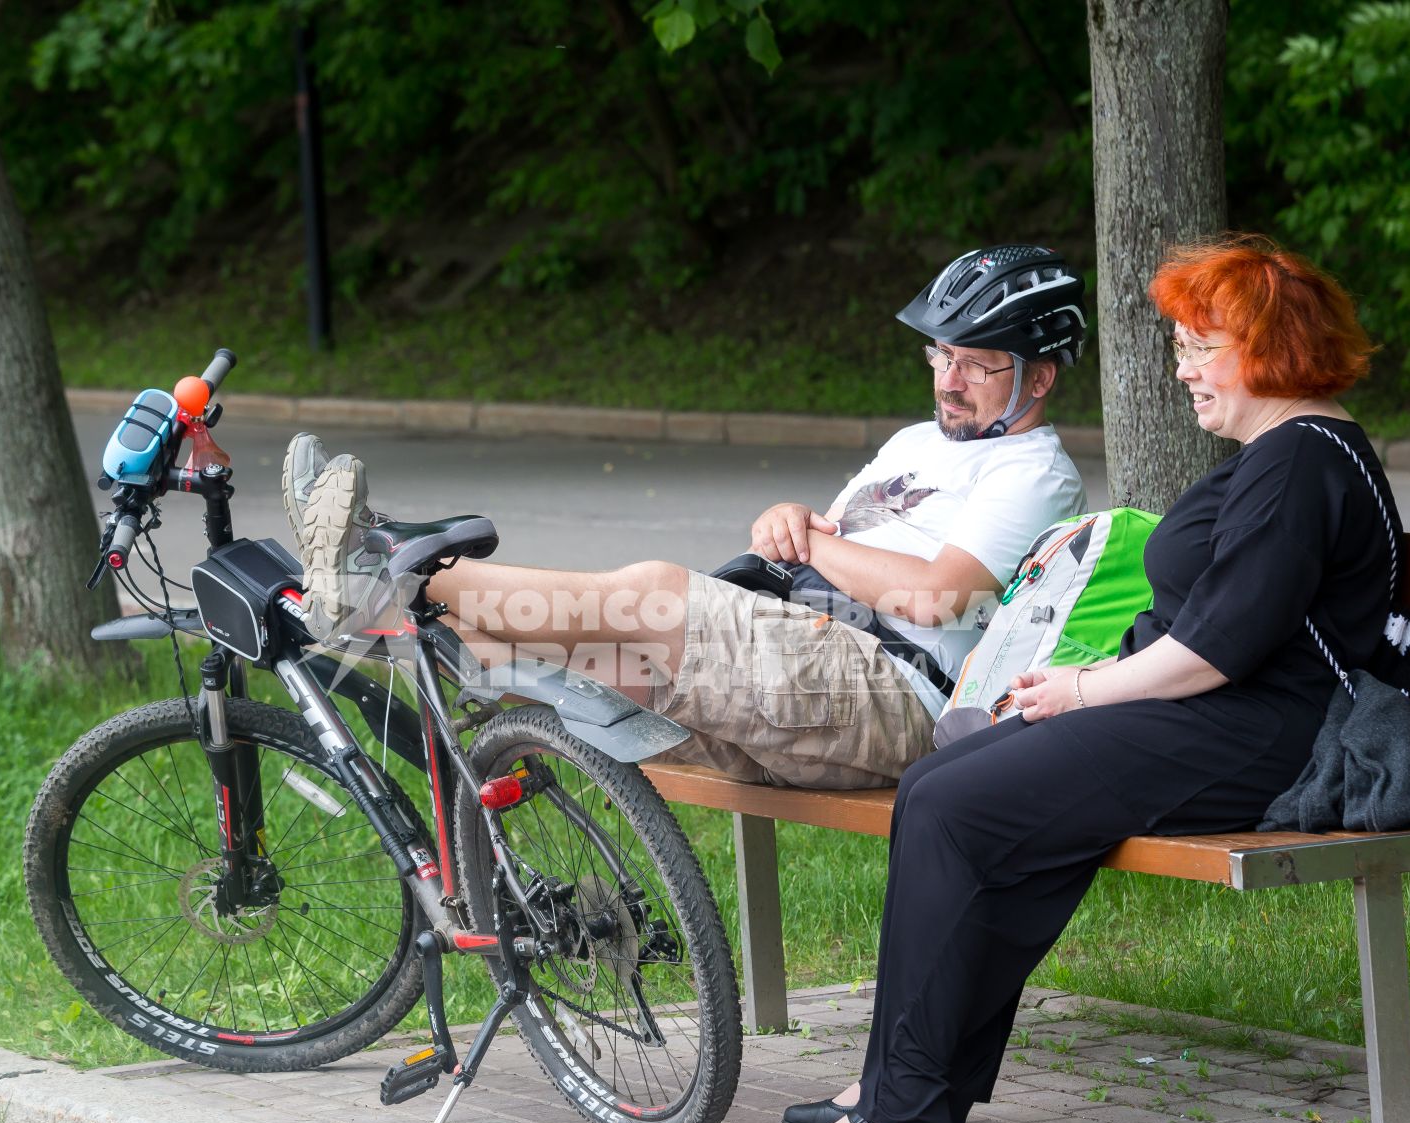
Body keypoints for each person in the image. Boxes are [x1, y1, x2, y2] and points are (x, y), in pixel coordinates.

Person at [764, 233, 1397, 1123]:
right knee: (943, 781)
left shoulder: (1302, 461)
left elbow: (1214, 652)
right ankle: (908, 1078)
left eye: (1199, 348)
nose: (1182, 370)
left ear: (1273, 347)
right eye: (1179, 348)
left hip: (1262, 734)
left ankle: (905, 1113)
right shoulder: (1285, 454)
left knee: (954, 805)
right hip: (1217, 718)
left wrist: (1079, 690)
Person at [284, 246, 1089, 789]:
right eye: (940, 355)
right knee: (549, 647)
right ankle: (391, 601)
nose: (949, 378)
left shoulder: (1034, 473)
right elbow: (828, 548)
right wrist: (790, 521)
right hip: (801, 667)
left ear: (1041, 378)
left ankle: (385, 575)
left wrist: (809, 538)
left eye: (977, 363)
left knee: (654, 594)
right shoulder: (918, 441)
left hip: (895, 693)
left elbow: (935, 598)